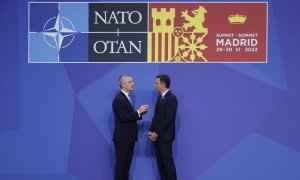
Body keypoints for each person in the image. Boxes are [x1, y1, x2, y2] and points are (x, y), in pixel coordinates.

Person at [112, 74, 148, 180]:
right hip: (122, 138)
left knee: (126, 167)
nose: (133, 83)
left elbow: (128, 117)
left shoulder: (126, 98)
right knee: (121, 166)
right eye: (130, 82)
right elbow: (123, 117)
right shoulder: (119, 99)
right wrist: (138, 111)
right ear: (123, 84)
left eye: (133, 81)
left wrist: (140, 113)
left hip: (128, 138)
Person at [148, 74, 178, 180]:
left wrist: (157, 133)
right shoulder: (160, 98)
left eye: (156, 83)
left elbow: (168, 119)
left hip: (165, 137)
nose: (154, 85)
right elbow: (156, 117)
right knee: (161, 166)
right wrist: (151, 131)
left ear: (163, 84)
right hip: (157, 137)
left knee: (167, 165)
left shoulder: (171, 98)